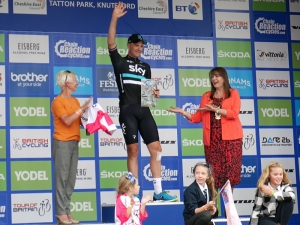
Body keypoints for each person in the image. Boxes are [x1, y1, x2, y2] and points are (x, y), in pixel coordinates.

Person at [107, 1, 177, 201]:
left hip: (144, 111)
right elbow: (110, 42)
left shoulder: (146, 66)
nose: (139, 48)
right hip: (128, 110)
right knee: (133, 150)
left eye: (141, 46)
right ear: (128, 45)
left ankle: (158, 192)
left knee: (156, 149)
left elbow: (147, 94)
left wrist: (153, 94)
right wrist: (114, 18)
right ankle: (133, 193)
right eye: (136, 45)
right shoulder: (120, 62)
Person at [167, 67, 243, 189]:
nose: (214, 79)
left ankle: (228, 207)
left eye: (217, 76)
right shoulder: (207, 96)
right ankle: (214, 207)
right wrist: (183, 112)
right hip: (212, 141)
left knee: (229, 176)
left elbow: (234, 113)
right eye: (212, 76)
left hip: (231, 141)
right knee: (213, 176)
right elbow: (197, 117)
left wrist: (216, 109)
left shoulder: (233, 93)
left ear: (224, 78)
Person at [51, 70, 92, 225]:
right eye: (75, 80)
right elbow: (67, 121)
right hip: (61, 143)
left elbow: (79, 122)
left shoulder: (75, 102)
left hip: (74, 142)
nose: (77, 83)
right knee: (61, 180)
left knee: (70, 180)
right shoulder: (57, 102)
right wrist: (82, 109)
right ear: (67, 83)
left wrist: (92, 117)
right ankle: (60, 213)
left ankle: (67, 212)